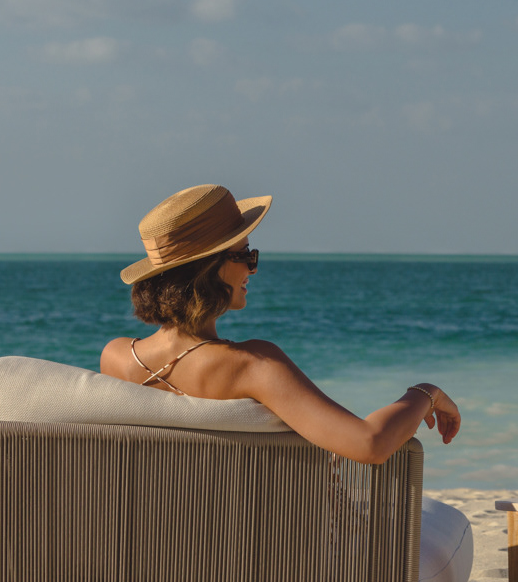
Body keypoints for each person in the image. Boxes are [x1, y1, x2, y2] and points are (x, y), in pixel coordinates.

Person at [102, 183, 461, 463]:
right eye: (245, 254)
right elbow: (371, 444)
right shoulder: (253, 364)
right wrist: (425, 393)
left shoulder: (117, 358)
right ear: (209, 269)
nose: (253, 267)